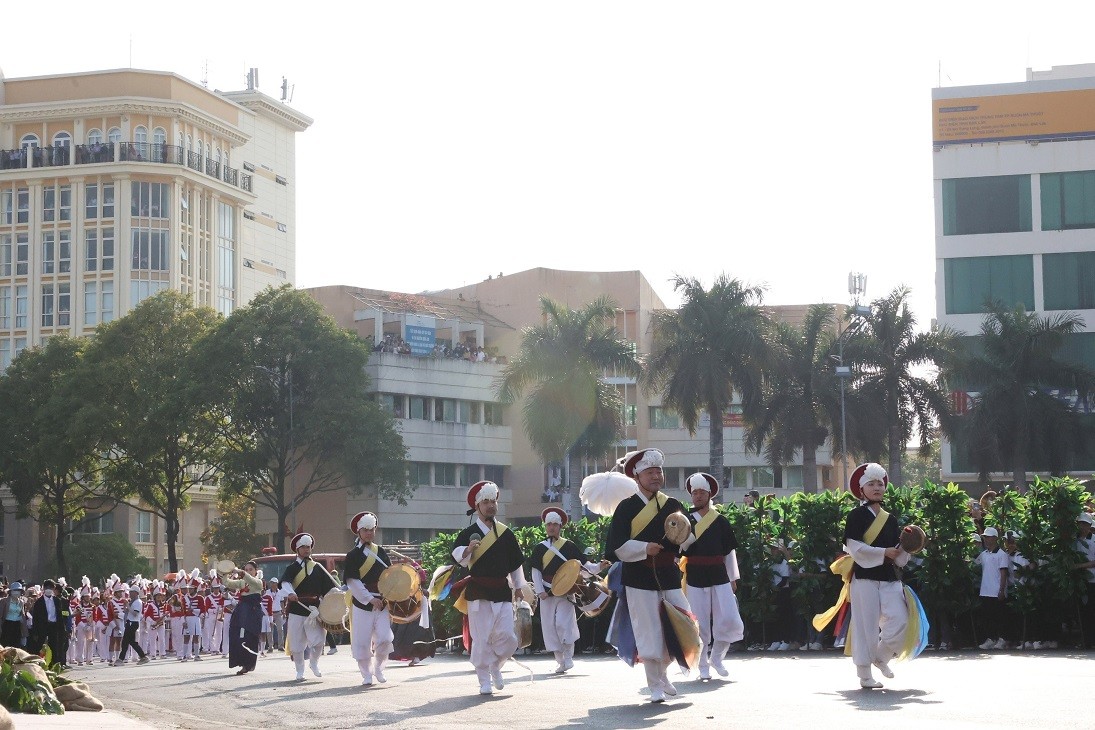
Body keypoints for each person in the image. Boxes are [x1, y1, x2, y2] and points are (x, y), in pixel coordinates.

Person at [605, 448, 697, 703]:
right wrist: (644, 548)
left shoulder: (673, 505)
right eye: (650, 472)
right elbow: (616, 547)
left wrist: (684, 536)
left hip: (668, 574)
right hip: (638, 576)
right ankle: (654, 684)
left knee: (684, 626)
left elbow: (688, 538)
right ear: (638, 476)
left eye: (659, 471)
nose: (656, 476)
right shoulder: (626, 508)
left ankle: (663, 673)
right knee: (649, 631)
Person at [451, 480, 528, 696]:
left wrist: (519, 587)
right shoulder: (469, 533)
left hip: (502, 590)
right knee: (481, 637)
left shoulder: (505, 533)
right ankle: (484, 679)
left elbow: (515, 563)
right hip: (479, 591)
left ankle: (496, 665)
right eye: (485, 502)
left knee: (509, 637)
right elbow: (458, 558)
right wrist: (467, 550)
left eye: (493, 501)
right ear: (477, 506)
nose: (490, 506)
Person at [841, 462, 911, 689]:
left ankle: (881, 657)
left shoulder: (890, 518)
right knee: (865, 626)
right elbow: (854, 547)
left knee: (900, 618)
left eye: (880, 483)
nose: (877, 487)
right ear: (862, 489)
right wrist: (883, 553)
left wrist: (908, 545)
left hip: (889, 577)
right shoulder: (856, 516)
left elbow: (898, 551)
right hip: (864, 578)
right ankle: (864, 674)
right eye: (871, 484)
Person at [680, 472, 744, 680]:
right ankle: (702, 665)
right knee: (699, 624)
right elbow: (678, 550)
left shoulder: (720, 521)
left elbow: (729, 553)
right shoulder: (684, 520)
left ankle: (717, 658)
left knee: (730, 619)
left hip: (719, 575)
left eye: (701, 492)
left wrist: (733, 578)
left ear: (709, 494)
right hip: (695, 576)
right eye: (694, 492)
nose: (697, 496)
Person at [530, 506, 607, 674]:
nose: (551, 527)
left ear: (560, 526)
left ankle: (568, 658)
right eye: (548, 524)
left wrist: (599, 567)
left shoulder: (569, 546)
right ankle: (560, 661)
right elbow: (535, 571)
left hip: (567, 591)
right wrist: (539, 590)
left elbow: (584, 568)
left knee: (564, 624)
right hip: (547, 592)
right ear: (545, 526)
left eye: (554, 524)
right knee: (550, 627)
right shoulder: (540, 548)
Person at [280, 532, 339, 681]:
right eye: (304, 547)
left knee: (319, 640)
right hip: (297, 608)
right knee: (297, 644)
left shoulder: (317, 567)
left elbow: (329, 588)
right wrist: (290, 593)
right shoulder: (292, 568)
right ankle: (300, 671)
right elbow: (285, 583)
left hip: (314, 609)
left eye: (309, 547)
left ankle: (314, 663)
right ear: (298, 549)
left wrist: (337, 595)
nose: (307, 550)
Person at [344, 512, 394, 686]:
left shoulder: (380, 551)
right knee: (362, 641)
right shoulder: (352, 555)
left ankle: (379, 666)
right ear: (359, 531)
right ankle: (366, 673)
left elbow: (390, 575)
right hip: (362, 602)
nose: (369, 533)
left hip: (382, 602)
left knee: (385, 638)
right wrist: (369, 599)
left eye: (372, 530)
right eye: (366, 530)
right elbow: (353, 581)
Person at [222, 561, 264, 676]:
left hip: (253, 611)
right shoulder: (242, 582)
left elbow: (251, 580)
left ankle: (248, 664)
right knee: (237, 635)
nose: (248, 571)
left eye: (251, 569)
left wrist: (242, 572)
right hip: (242, 610)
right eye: (246, 569)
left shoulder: (258, 582)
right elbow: (227, 583)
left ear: (256, 570)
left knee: (250, 637)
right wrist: (226, 572)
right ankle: (240, 662)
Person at [975, 527, 1010, 650]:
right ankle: (991, 638)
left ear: (995, 538)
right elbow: (974, 563)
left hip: (996, 592)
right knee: (988, 617)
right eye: (985, 537)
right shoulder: (984, 554)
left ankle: (1002, 638)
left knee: (999, 617)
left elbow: (1003, 573)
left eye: (988, 537)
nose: (986, 539)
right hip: (985, 590)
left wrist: (1001, 590)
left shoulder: (1002, 555)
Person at [30, 579, 71, 667]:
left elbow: (59, 616)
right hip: (43, 627)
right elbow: (35, 618)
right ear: (44, 588)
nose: (49, 589)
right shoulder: (39, 602)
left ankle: (54, 665)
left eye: (51, 588)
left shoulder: (57, 600)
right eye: (47, 587)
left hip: (54, 626)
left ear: (53, 589)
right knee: (40, 647)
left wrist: (63, 629)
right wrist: (35, 631)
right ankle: (39, 664)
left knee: (54, 647)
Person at [116, 587, 150, 665]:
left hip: (133, 622)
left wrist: (128, 606)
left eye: (132, 592)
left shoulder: (138, 602)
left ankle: (121, 659)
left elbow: (135, 613)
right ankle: (143, 656)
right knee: (131, 642)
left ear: (136, 593)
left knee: (125, 641)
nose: (130, 594)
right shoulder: (133, 602)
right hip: (130, 622)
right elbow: (127, 612)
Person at [0, 581, 28, 649]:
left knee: (15, 646)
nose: (16, 592)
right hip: (7, 624)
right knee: (5, 645)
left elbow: (22, 615)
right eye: (15, 590)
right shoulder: (4, 601)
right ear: (10, 591)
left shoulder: (21, 602)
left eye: (18, 590)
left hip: (17, 625)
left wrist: (24, 633)